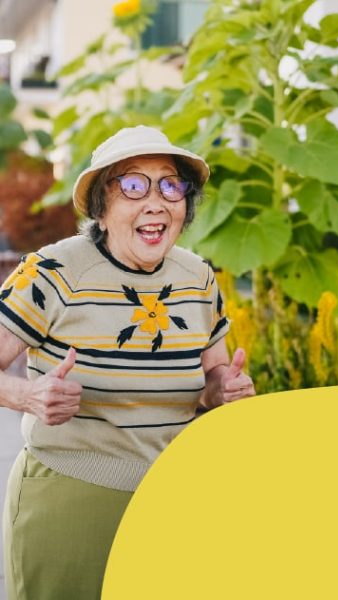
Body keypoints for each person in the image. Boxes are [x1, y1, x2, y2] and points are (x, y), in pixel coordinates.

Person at [0, 125, 255, 599]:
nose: (156, 200)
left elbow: (212, 373)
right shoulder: (53, 272)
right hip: (71, 498)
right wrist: (28, 396)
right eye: (134, 185)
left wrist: (223, 387)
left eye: (170, 185)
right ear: (101, 206)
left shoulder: (197, 278)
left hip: (173, 502)